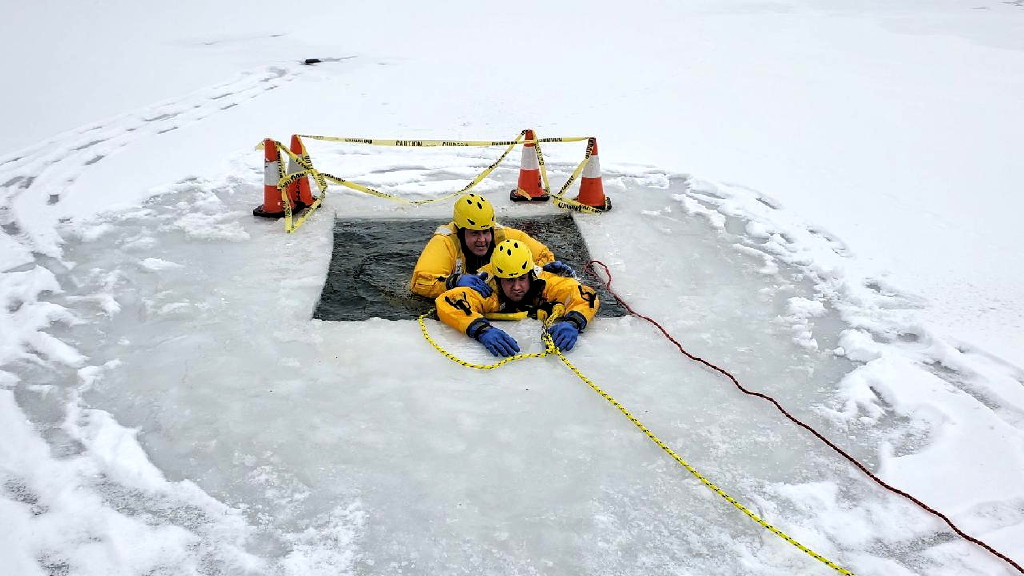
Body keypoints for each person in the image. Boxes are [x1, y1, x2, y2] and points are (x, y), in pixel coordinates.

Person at [435, 239, 600, 357]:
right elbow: (448, 301)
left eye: (522, 279)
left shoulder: (545, 282)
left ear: (530, 275)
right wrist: (481, 330)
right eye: (509, 280)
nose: (517, 287)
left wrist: (573, 322)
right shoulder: (488, 290)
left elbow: (585, 294)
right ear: (499, 280)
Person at [409, 193, 575, 299]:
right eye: (474, 233)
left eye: (485, 232)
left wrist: (543, 268)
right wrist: (454, 281)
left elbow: (541, 255)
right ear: (460, 231)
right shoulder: (444, 242)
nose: (482, 240)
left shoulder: (502, 235)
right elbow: (420, 282)